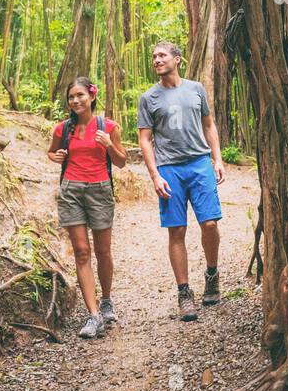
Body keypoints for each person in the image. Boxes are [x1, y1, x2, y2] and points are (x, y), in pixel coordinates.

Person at [137, 41, 226, 321]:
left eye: (162, 55)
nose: (156, 60)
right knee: (176, 231)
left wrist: (218, 159)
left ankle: (211, 274)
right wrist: (155, 175)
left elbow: (209, 125)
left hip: (199, 164)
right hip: (169, 168)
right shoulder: (148, 98)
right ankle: (184, 292)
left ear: (177, 59)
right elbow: (145, 140)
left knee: (209, 222)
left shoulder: (196, 89)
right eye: (154, 56)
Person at [47, 76, 127, 339]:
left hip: (100, 190)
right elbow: (51, 152)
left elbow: (121, 162)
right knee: (82, 252)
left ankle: (106, 301)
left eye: (80, 95)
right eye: (71, 97)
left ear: (92, 96)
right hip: (71, 190)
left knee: (103, 251)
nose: (75, 100)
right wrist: (56, 156)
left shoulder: (108, 127)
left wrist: (108, 145)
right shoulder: (63, 129)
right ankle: (93, 315)